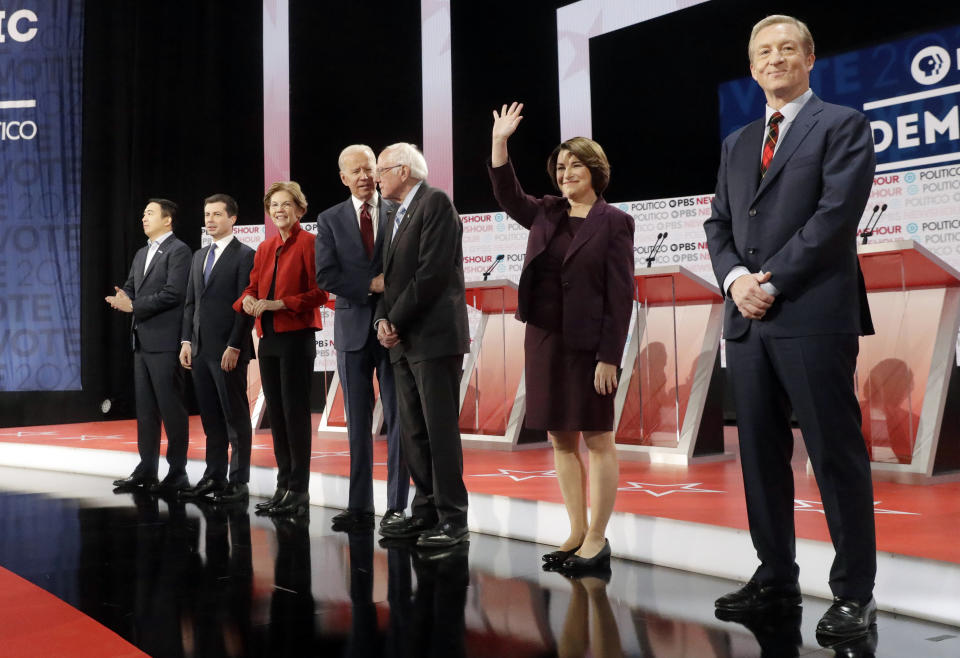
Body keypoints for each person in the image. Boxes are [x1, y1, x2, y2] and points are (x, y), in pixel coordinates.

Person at [703, 15, 877, 638]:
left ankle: (855, 591)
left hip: (811, 314)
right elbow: (718, 225)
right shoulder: (739, 141)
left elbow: (833, 220)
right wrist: (735, 282)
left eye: (786, 49)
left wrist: (769, 281)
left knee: (834, 454)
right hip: (746, 320)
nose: (774, 59)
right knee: (758, 456)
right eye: (762, 52)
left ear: (809, 58)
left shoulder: (843, 126)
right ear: (751, 68)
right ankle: (775, 574)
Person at [488, 103, 635, 573]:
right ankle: (575, 530)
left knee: (596, 438)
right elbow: (509, 194)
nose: (566, 172)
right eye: (560, 166)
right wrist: (500, 142)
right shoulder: (546, 212)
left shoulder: (614, 222)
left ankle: (597, 537)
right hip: (544, 340)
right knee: (558, 438)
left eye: (575, 164)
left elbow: (620, 296)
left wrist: (609, 356)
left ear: (595, 171)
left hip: (590, 347)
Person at [373, 143, 471, 549]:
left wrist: (394, 319)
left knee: (439, 430)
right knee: (414, 431)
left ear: (404, 170)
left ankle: (453, 518)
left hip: (432, 337)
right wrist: (382, 318)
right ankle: (425, 509)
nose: (375, 177)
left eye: (381, 169)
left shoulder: (436, 204)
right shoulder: (397, 215)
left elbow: (431, 274)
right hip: (403, 339)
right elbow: (386, 278)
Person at [315, 145, 409, 531]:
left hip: (396, 330)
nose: (365, 177)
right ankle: (359, 507)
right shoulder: (330, 219)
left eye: (369, 169)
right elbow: (326, 276)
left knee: (400, 419)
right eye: (356, 171)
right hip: (353, 331)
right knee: (357, 422)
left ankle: (398, 506)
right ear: (343, 177)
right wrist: (369, 284)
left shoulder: (398, 210)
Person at [235, 182, 327, 517]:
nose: (279, 210)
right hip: (269, 338)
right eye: (274, 205)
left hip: (297, 336)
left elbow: (321, 292)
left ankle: (299, 490)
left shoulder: (311, 244)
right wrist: (247, 297)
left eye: (286, 204)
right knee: (277, 414)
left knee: (295, 414)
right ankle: (283, 485)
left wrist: (280, 303)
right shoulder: (264, 247)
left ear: (300, 209)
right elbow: (252, 285)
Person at [108, 199, 192, 494]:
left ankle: (178, 471)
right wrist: (124, 297)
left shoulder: (179, 251)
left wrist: (134, 305)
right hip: (142, 342)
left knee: (171, 409)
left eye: (150, 213)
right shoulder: (142, 252)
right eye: (143, 213)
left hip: (166, 341)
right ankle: (147, 468)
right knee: (145, 411)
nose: (144, 217)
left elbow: (174, 293)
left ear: (167, 220)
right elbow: (132, 285)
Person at [179, 194, 256, 503]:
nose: (209, 219)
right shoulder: (199, 256)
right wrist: (186, 340)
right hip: (199, 350)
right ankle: (214, 475)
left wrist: (235, 345)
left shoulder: (245, 255)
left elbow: (245, 307)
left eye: (217, 214)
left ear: (232, 219)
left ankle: (239, 481)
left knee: (235, 417)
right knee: (210, 419)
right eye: (207, 214)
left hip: (228, 350)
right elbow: (190, 304)